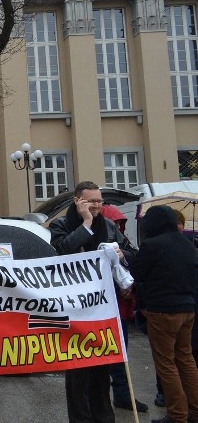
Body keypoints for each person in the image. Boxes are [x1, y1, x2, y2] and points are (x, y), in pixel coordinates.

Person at [50, 181, 137, 423]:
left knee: (102, 365)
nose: (97, 206)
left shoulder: (109, 226)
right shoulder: (61, 225)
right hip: (75, 308)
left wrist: (122, 254)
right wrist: (86, 223)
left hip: (102, 307)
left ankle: (104, 416)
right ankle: (80, 418)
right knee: (78, 368)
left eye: (99, 201)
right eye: (91, 201)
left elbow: (132, 253)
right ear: (77, 201)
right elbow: (62, 250)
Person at [131, 205, 198, 423]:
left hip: (162, 310)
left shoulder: (152, 245)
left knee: (166, 364)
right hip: (187, 309)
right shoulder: (187, 244)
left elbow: (136, 272)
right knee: (186, 360)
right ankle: (195, 411)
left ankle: (176, 415)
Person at [100, 205, 149, 413]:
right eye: (115, 222)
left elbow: (135, 259)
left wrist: (129, 284)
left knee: (121, 355)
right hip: (102, 308)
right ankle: (109, 397)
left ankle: (122, 395)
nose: (119, 226)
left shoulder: (122, 240)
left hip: (120, 308)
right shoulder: (98, 240)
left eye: (120, 223)